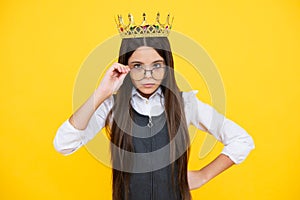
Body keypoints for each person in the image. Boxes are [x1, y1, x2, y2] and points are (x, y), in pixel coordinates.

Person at [53, 13, 254, 200]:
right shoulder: (111, 108)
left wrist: (203, 176)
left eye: (157, 65)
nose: (148, 75)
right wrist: (101, 93)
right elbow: (63, 144)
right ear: (126, 67)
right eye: (138, 66)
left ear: (167, 66)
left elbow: (242, 140)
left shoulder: (185, 104)